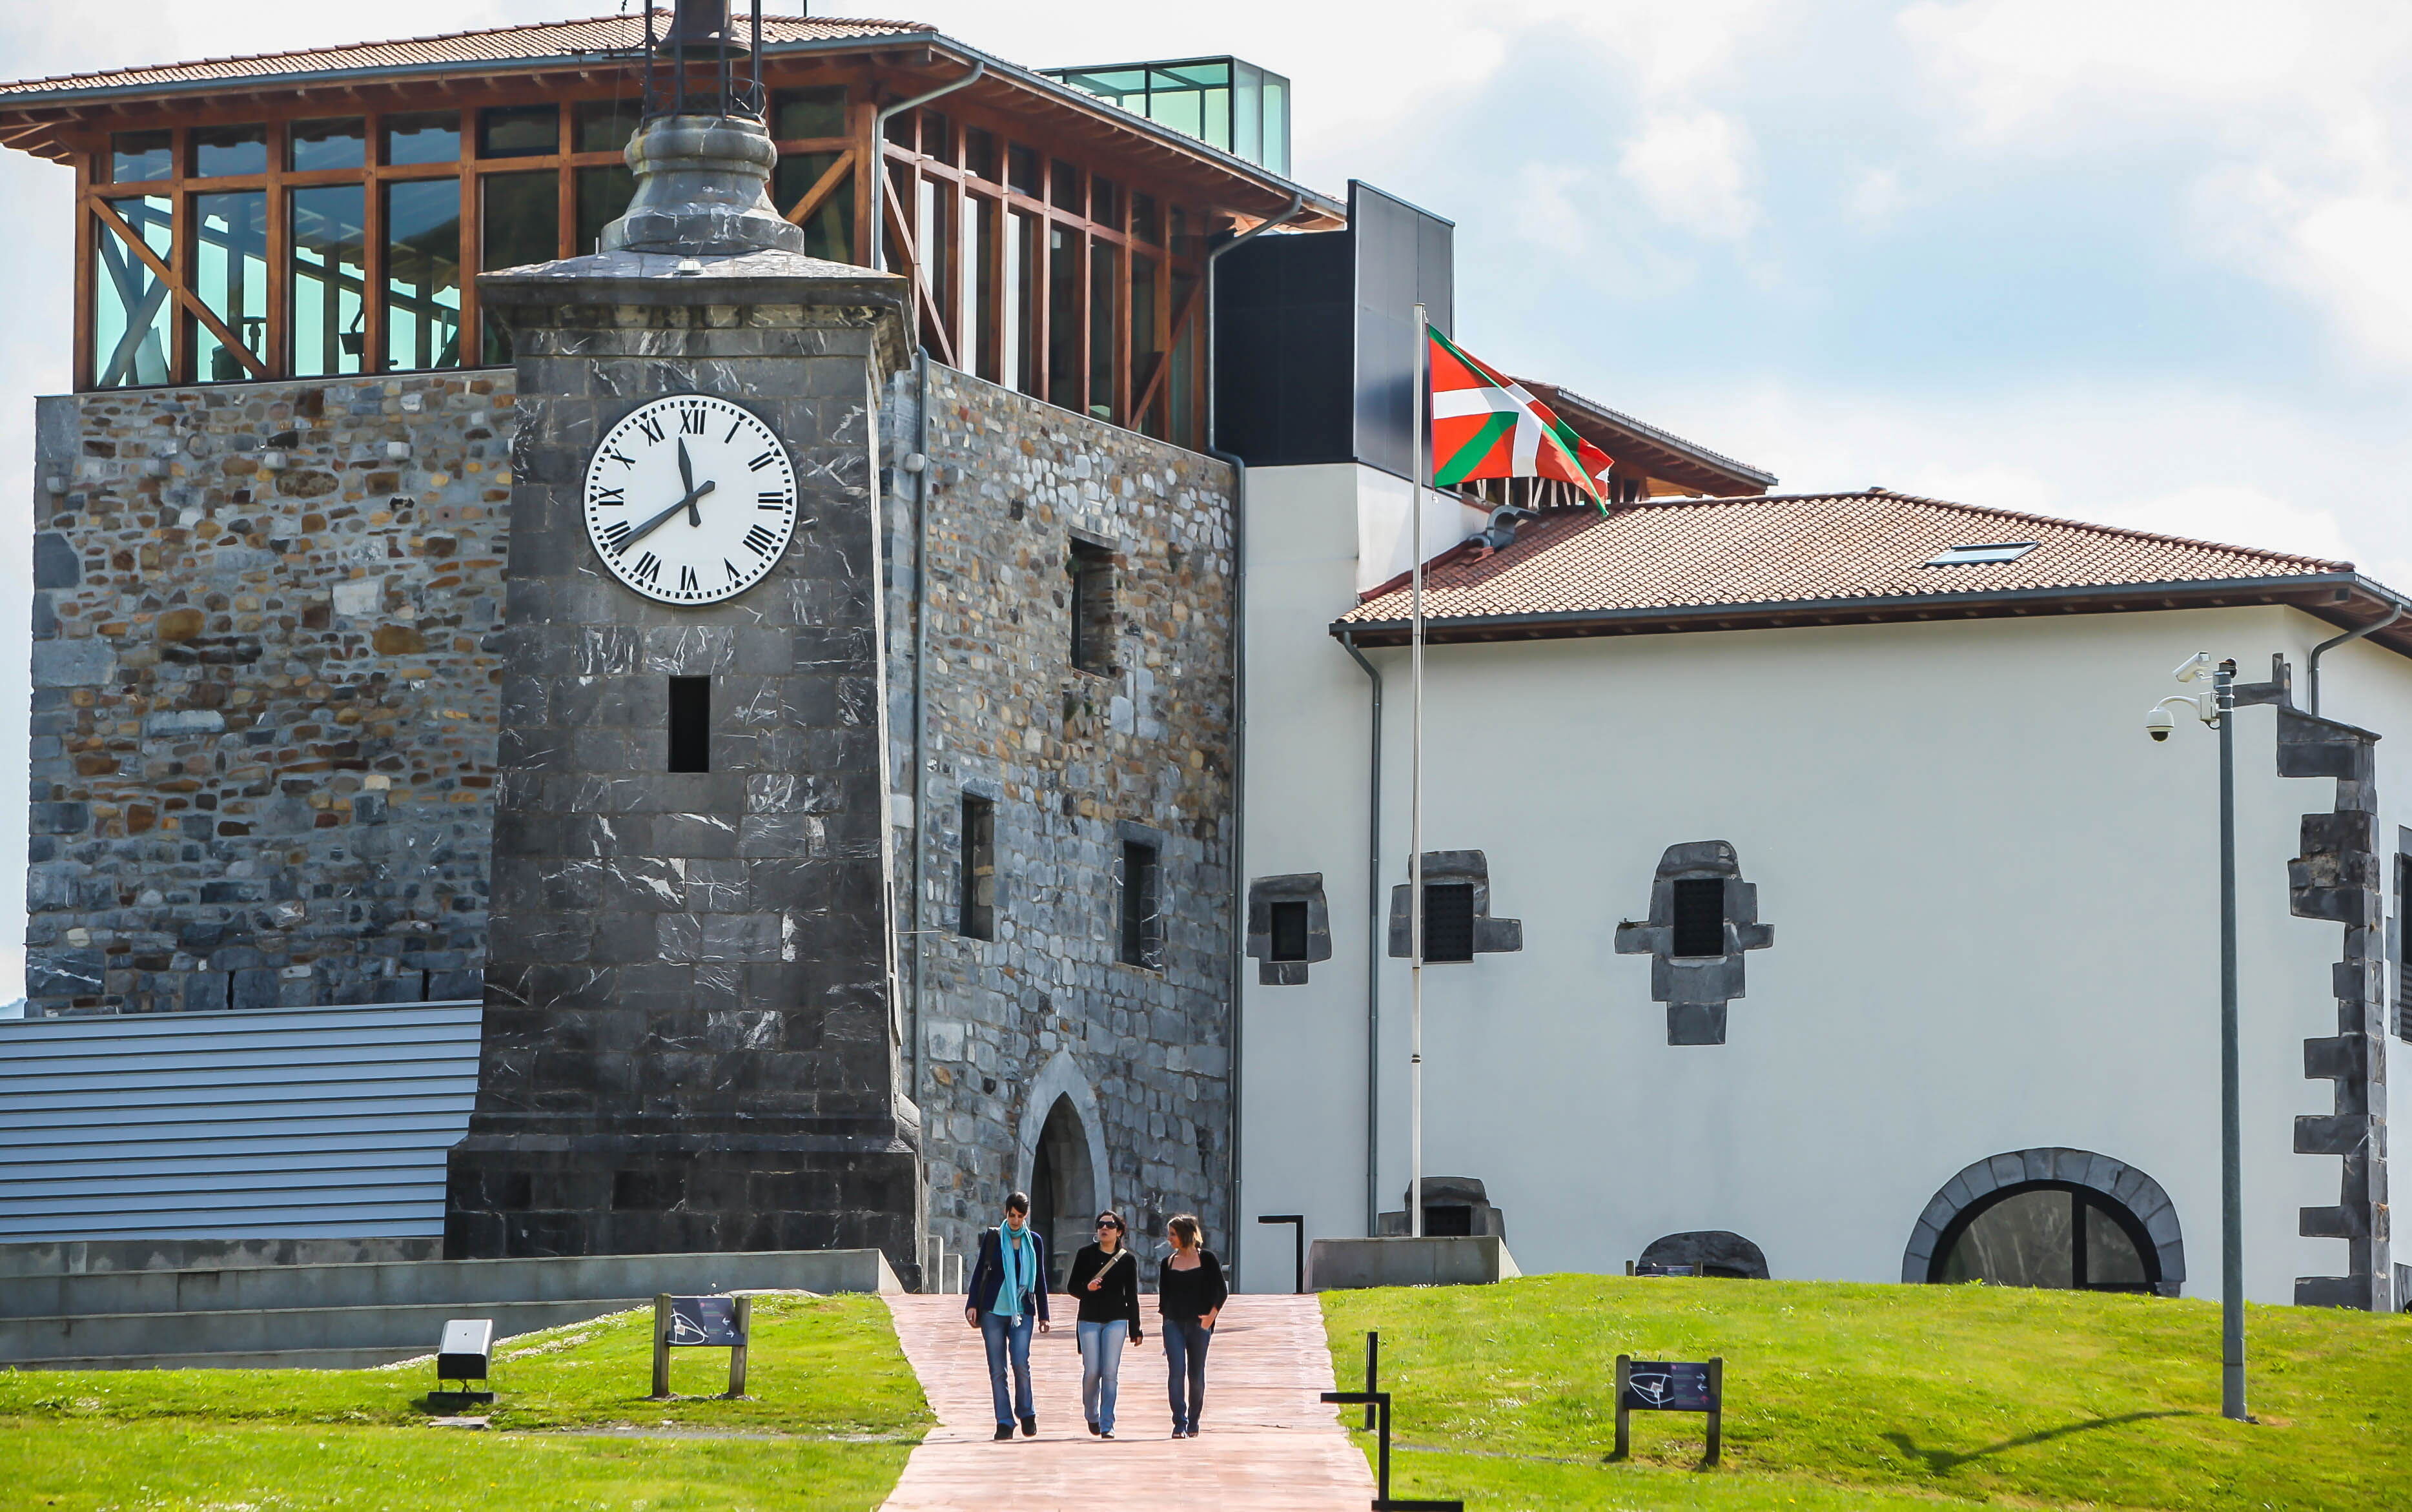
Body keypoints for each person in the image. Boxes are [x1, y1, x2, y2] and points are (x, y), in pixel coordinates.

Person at [965, 1190, 1051, 1440]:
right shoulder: (994, 1237)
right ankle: (1004, 1421)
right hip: (993, 1311)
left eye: (1020, 1216)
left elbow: (1040, 1278)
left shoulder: (1034, 1241)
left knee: (1020, 1361)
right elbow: (980, 1271)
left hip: (1022, 1310)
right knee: (997, 1369)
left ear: (1026, 1215)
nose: (1015, 1220)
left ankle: (1027, 1412)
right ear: (1006, 1212)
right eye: (1012, 1215)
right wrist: (972, 1304)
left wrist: (1044, 1314)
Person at [1066, 1209, 1143, 1438]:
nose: (1104, 1229)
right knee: (1092, 1372)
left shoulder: (1127, 1260)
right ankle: (1092, 1414)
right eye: (1101, 1225)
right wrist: (1087, 1288)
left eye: (1110, 1225)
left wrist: (1135, 1328)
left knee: (1110, 1372)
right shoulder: (1085, 1255)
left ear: (1119, 1232)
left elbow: (1132, 1296)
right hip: (1089, 1319)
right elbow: (1072, 1287)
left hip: (1116, 1319)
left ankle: (1107, 1423)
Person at [1156, 1212, 1226, 1439]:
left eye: (1173, 1234)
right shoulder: (1167, 1263)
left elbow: (1221, 1292)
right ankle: (1179, 1422)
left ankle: (1194, 1420)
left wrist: (1210, 1318)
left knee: (1196, 1375)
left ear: (1186, 1235)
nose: (1169, 1238)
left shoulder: (1207, 1259)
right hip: (1173, 1324)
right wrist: (1165, 1328)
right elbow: (1164, 1300)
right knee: (1176, 1372)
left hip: (1200, 1324)